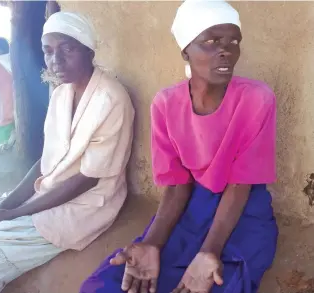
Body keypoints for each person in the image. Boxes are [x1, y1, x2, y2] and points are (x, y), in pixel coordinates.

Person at [81, 1, 278, 293]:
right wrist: (152, 243)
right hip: (193, 204)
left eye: (233, 41)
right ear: (185, 49)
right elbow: (176, 185)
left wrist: (209, 250)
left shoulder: (257, 99)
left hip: (244, 206)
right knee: (111, 284)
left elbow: (241, 185)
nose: (226, 50)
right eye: (211, 41)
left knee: (221, 279)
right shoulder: (165, 104)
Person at [0, 11, 134, 293]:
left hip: (83, 206)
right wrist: (2, 207)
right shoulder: (60, 95)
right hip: (46, 193)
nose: (56, 60)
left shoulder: (112, 100)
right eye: (48, 51)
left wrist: (13, 214)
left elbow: (88, 179)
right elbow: (47, 160)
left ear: (89, 51)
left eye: (68, 49)